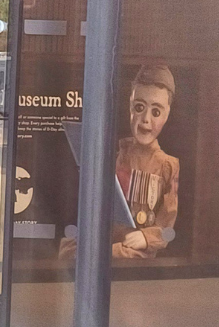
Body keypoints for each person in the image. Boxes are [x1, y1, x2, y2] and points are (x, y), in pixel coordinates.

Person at [60, 63, 180, 260]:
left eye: (156, 112)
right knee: (69, 248)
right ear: (130, 106)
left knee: (109, 254)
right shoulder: (115, 153)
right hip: (104, 237)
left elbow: (167, 227)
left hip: (133, 248)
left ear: (167, 114)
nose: (145, 120)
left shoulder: (167, 165)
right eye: (139, 107)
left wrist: (146, 237)